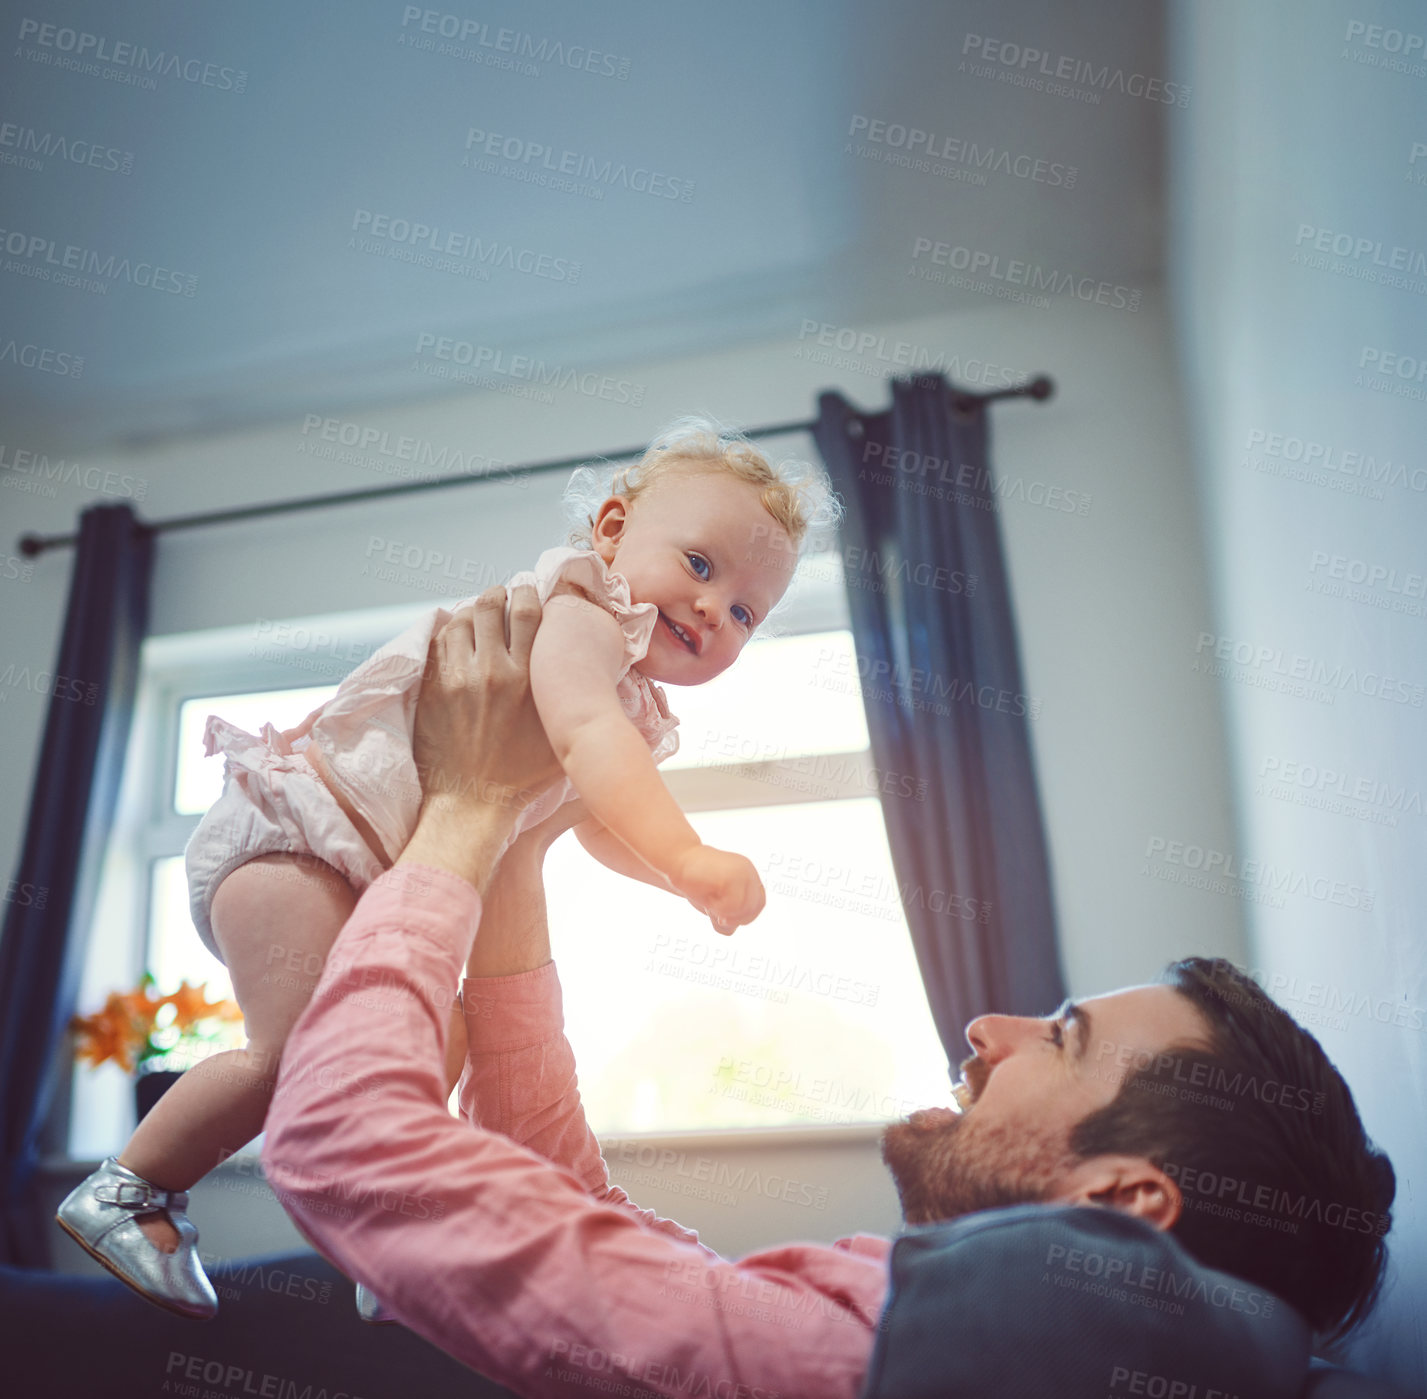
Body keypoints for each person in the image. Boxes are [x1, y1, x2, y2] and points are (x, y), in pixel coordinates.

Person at [249, 586, 1396, 1399]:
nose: (986, 1026)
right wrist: (507, 845)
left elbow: (340, 1145)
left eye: (1062, 1036)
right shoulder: (942, 1336)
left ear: (1127, 1201)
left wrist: (456, 806)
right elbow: (589, 1227)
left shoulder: (898, 1361)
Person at [55, 417, 836, 1322]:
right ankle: (127, 1190)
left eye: (745, 611)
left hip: (352, 872)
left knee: (439, 1038)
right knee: (301, 1056)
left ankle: (388, 1224)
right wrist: (690, 849)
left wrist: (679, 878)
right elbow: (587, 741)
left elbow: (591, 820)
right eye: (701, 567)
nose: (713, 609)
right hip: (295, 846)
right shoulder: (582, 613)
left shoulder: (630, 696)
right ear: (613, 530)